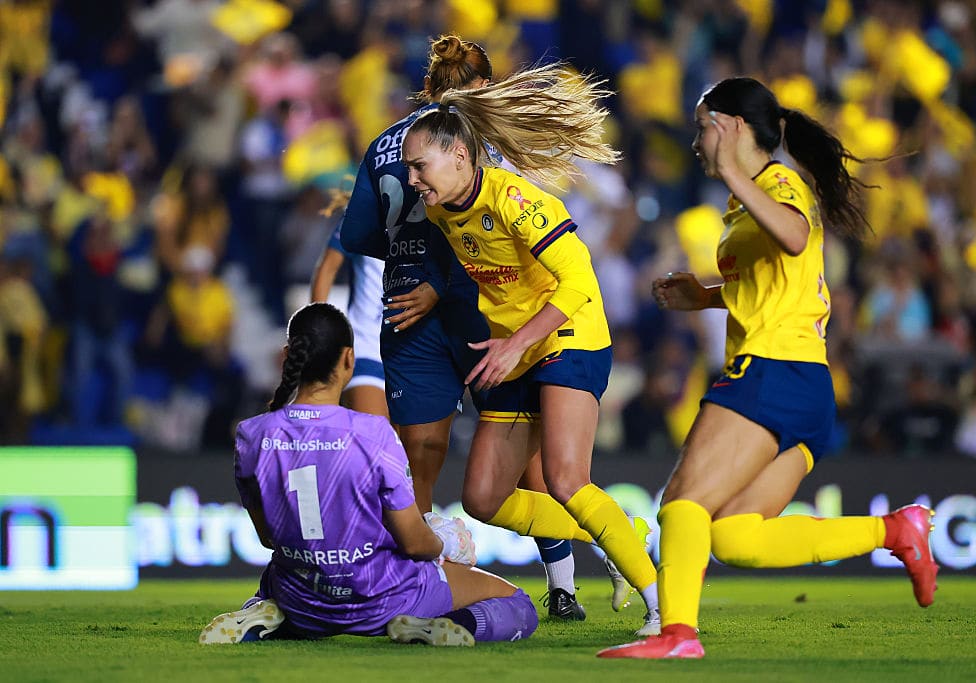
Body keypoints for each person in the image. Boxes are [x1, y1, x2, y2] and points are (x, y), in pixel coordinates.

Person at [595, 77, 939, 660]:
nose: (696, 142)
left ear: (730, 127)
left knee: (682, 502)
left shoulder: (776, 183)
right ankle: (895, 530)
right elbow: (779, 285)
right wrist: (706, 297)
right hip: (804, 382)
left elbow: (795, 237)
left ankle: (677, 635)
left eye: (703, 128)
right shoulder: (749, 199)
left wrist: (733, 171)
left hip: (772, 370)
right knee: (735, 536)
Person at [336, 35, 594, 619]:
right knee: (521, 456)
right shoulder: (486, 145)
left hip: (427, 312)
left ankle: (420, 575)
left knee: (420, 449)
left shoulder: (387, 145)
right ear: (485, 87)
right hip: (489, 310)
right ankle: (561, 585)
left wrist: (410, 261)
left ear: (427, 87)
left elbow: (356, 235)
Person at [401, 61, 661, 636]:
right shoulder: (441, 209)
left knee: (566, 479)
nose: (413, 179)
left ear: (460, 156)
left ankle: (662, 606)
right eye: (409, 169)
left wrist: (515, 342)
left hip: (569, 334)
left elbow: (580, 281)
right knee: (483, 498)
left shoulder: (516, 199)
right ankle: (623, 531)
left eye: (420, 166)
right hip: (514, 348)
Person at [198, 303, 537, 646]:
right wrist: (445, 542)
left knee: (278, 588)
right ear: (349, 359)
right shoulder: (373, 433)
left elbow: (269, 538)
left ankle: (263, 615)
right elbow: (415, 544)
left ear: (287, 357)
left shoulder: (251, 435)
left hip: (300, 598)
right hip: (384, 598)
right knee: (518, 603)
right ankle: (441, 625)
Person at [309, 226, 389, 417]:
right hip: (368, 346)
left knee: (408, 438)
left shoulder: (435, 213)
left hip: (416, 354)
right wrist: (320, 334)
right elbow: (327, 268)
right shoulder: (364, 213)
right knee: (372, 432)